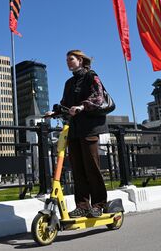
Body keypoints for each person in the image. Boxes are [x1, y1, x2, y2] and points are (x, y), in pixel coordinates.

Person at [48, 50, 108, 218]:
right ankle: (82, 205)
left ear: (80, 60)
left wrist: (82, 107)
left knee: (91, 167)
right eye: (66, 60)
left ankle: (98, 204)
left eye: (71, 59)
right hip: (74, 130)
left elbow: (99, 97)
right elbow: (65, 105)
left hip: (89, 129)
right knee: (77, 169)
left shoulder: (91, 76)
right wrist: (54, 112)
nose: (68, 62)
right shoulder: (69, 83)